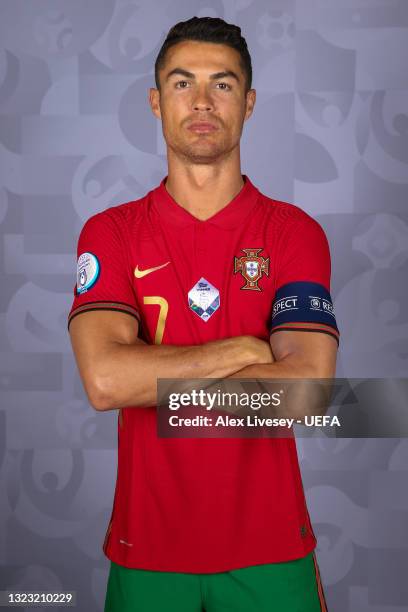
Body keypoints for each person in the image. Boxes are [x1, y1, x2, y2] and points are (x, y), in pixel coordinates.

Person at [68, 16, 339, 612]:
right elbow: (106, 381)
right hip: (148, 551)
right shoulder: (111, 233)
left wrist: (155, 382)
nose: (200, 101)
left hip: (271, 548)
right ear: (155, 100)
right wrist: (244, 349)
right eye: (181, 82)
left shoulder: (294, 233)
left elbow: (310, 394)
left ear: (248, 103)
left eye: (221, 84)